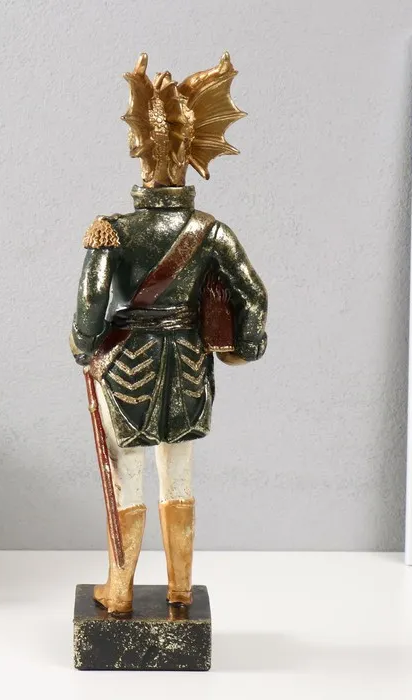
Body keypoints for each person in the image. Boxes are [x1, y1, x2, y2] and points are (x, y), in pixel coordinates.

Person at [70, 53, 268, 615]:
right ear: (192, 158)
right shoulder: (212, 231)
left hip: (126, 364)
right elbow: (253, 293)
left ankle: (121, 590)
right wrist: (244, 347)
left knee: (127, 474)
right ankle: (180, 590)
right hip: (187, 364)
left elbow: (90, 304)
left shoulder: (112, 229)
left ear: (142, 157)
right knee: (178, 472)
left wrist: (82, 346)